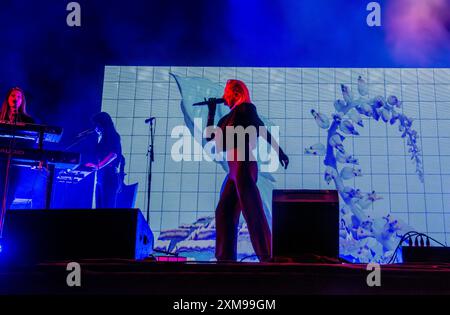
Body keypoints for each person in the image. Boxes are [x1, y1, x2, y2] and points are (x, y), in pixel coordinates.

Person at [206, 79, 289, 262]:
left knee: (252, 210)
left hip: (244, 163)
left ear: (235, 93)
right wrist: (211, 110)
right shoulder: (225, 119)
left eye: (227, 93)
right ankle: (225, 259)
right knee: (224, 212)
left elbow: (262, 130)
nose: (224, 97)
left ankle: (268, 257)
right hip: (233, 169)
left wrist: (279, 152)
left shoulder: (246, 109)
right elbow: (209, 136)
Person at [0, 87, 43, 211]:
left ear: (22, 101)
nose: (15, 99)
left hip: (17, 164)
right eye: (13, 96)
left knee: (9, 194)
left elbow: (32, 142)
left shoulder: (28, 120)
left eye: (18, 97)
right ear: (8, 98)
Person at [85, 112, 122, 209]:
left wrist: (98, 166)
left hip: (109, 177)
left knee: (107, 209)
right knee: (99, 207)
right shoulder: (101, 137)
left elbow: (113, 155)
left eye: (97, 125)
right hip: (101, 176)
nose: (95, 128)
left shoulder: (114, 136)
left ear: (103, 124)